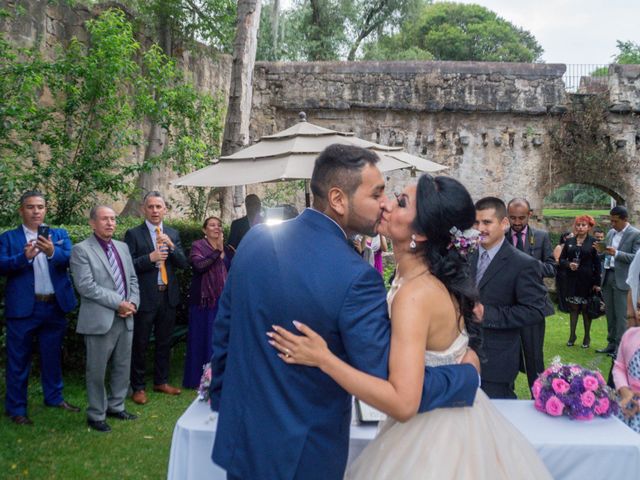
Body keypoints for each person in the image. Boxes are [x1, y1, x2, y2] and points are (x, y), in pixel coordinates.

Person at [209, 144, 480, 480]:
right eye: (377, 193)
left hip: (242, 444)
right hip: (304, 457)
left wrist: (224, 402)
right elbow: (390, 381)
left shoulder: (255, 240)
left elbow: (224, 333)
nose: (385, 203)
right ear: (338, 200)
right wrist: (465, 376)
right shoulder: (356, 277)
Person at [269, 176, 551, 479]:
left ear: (421, 232)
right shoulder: (414, 280)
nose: (386, 205)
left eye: (401, 202)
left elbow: (403, 402)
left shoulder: (415, 295)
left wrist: (323, 359)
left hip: (436, 440)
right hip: (445, 415)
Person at [0, 191, 80, 425]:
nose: (36, 211)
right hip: (24, 308)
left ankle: (54, 398)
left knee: (52, 356)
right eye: (30, 207)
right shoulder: (9, 238)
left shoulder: (59, 234)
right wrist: (22, 258)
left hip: (53, 306)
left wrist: (52, 252)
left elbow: (69, 259)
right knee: (18, 360)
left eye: (40, 207)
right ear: (21, 210)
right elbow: (1, 265)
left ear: (46, 209)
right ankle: (16, 408)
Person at [70, 206, 140, 432]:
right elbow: (86, 286)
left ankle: (116, 406)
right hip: (100, 320)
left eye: (113, 219)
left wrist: (133, 303)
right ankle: (96, 413)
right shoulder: (81, 250)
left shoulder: (123, 247)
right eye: (104, 219)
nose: (110, 223)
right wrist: (119, 302)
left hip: (126, 317)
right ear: (92, 223)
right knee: (97, 370)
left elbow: (132, 279)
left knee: (122, 365)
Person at [471, 197, 547, 399]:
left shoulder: (523, 264)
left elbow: (536, 310)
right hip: (460, 358)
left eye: (487, 222)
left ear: (504, 224)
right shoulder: (465, 255)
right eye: (476, 222)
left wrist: (488, 314)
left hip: (496, 362)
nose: (480, 228)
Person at [124, 191, 188, 404]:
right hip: (146, 297)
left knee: (164, 341)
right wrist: (149, 258)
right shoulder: (133, 234)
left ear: (165, 210)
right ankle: (138, 386)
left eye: (158, 207)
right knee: (140, 343)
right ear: (144, 209)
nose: (154, 211)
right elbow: (128, 266)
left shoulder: (172, 233)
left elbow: (183, 263)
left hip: (167, 297)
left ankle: (161, 381)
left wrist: (171, 245)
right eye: (150, 207)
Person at [506, 198, 556, 393]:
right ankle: (506, 397)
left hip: (534, 307)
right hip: (508, 307)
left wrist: (530, 265)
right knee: (507, 355)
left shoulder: (542, 237)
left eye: (521, 218)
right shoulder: (501, 237)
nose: (517, 223)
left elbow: (552, 268)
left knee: (534, 356)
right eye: (512, 218)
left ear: (530, 215)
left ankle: (540, 397)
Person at [182, 216, 235, 389]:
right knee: (203, 337)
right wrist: (216, 251)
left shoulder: (226, 249)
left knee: (220, 338)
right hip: (204, 302)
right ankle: (200, 378)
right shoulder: (198, 246)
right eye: (212, 225)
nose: (216, 228)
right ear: (204, 230)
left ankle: (220, 375)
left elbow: (231, 269)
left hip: (223, 300)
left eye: (219, 225)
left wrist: (224, 251)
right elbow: (200, 266)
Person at [597, 206, 640, 354]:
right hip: (608, 275)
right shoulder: (610, 233)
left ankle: (620, 348)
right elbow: (606, 254)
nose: (612, 224)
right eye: (611, 221)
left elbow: (636, 258)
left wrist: (617, 253)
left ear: (625, 219)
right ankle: (611, 343)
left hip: (624, 279)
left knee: (621, 315)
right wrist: (600, 251)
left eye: (615, 221)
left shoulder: (635, 234)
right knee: (610, 313)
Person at [559, 215, 601, 348]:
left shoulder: (594, 242)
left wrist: (597, 283)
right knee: (573, 308)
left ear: (589, 227)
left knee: (586, 309)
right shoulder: (569, 241)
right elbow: (561, 259)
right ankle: (572, 335)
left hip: (587, 281)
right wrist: (568, 264)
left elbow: (598, 264)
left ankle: (587, 336)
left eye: (583, 225)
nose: (580, 227)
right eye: (578, 225)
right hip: (572, 280)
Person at [612, 326, 640, 433]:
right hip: (626, 404)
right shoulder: (630, 335)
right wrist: (624, 390)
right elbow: (619, 366)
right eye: (638, 308)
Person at [553, 231, 574, 314]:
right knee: (563, 289)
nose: (573, 238)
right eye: (571, 236)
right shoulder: (559, 247)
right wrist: (567, 262)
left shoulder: (571, 246)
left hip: (570, 271)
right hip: (562, 271)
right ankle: (563, 307)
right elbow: (556, 260)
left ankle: (569, 306)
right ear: (565, 237)